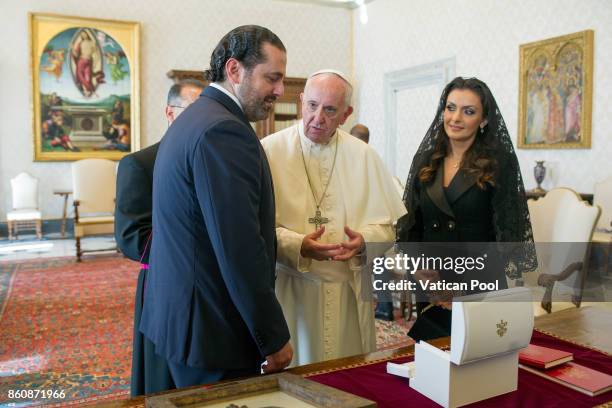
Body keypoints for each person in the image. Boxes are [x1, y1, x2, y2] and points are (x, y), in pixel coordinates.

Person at [139, 25, 293, 390]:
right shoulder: (224, 131)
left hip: (183, 318)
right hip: (211, 330)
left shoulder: (194, 119)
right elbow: (238, 246)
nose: (280, 91)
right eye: (272, 78)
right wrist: (272, 336)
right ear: (235, 70)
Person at [261, 70, 406, 366]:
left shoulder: (364, 156)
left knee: (347, 374)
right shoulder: (268, 151)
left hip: (348, 291)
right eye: (312, 105)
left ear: (346, 113)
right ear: (302, 101)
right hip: (292, 291)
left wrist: (364, 241)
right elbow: (254, 229)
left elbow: (389, 229)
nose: (318, 118)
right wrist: (297, 244)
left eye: (330, 110)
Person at [396, 77, 537, 341]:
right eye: (450, 108)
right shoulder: (426, 160)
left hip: (479, 284)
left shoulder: (499, 163)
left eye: (468, 111)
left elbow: (507, 235)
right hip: (431, 282)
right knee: (434, 363)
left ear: (483, 120)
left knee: (477, 364)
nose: (456, 118)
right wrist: (416, 268)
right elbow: (410, 223)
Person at [114, 79, 204, 396]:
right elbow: (130, 237)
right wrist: (189, 251)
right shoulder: (139, 164)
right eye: (192, 111)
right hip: (163, 285)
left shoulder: (209, 162)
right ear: (169, 112)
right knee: (162, 376)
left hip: (206, 285)